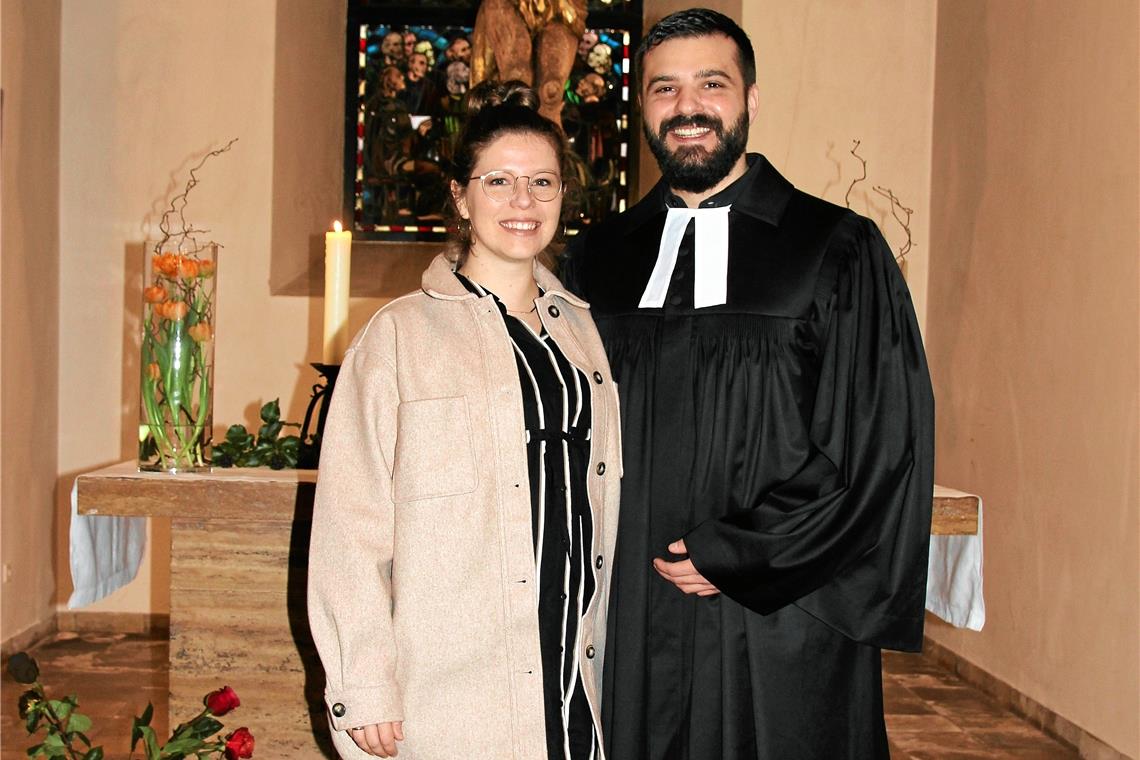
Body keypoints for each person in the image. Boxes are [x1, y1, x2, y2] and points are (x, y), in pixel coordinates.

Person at [562, 8, 934, 759]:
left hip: (778, 612)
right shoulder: (597, 258)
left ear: (750, 100)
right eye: (664, 89)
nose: (687, 106)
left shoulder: (834, 247)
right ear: (642, 107)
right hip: (628, 610)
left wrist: (744, 554)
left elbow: (882, 443)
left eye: (711, 83)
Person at [309, 81, 621, 760]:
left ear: (564, 196)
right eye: (500, 180)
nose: (523, 201)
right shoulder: (398, 338)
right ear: (460, 195)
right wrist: (363, 682)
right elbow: (349, 525)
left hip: (573, 665)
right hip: (454, 681)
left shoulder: (585, 337)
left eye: (542, 182)